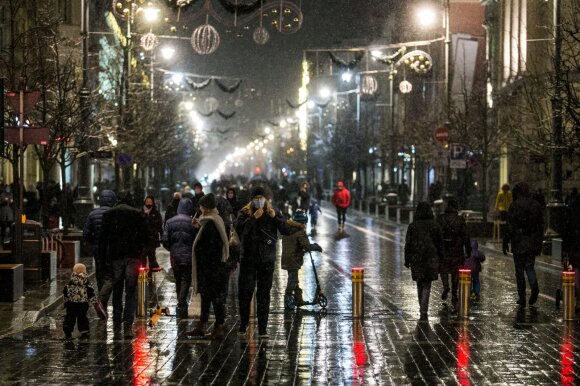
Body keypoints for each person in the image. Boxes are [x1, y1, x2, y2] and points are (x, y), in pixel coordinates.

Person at [235, 186, 291, 339]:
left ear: (266, 199)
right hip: (248, 259)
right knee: (245, 293)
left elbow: (286, 230)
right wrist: (254, 218)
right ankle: (243, 324)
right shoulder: (244, 213)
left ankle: (263, 328)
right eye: (256, 198)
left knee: (264, 294)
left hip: (266, 260)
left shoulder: (272, 212)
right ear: (251, 200)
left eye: (261, 198)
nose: (259, 201)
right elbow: (241, 231)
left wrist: (276, 218)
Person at [101, 191, 148, 335]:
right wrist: (142, 255)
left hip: (116, 256)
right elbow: (145, 236)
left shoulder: (109, 214)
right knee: (131, 290)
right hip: (133, 256)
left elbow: (103, 239)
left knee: (117, 289)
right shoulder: (138, 214)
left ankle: (116, 321)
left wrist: (104, 259)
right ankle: (128, 324)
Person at [189, 194, 230, 339]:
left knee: (215, 298)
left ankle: (219, 327)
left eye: (201, 206)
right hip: (210, 268)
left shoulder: (212, 223)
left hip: (212, 269)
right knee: (207, 297)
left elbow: (210, 247)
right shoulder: (209, 221)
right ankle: (202, 325)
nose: (200, 209)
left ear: (206, 208)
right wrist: (198, 227)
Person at [503, 181, 544, 308]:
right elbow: (540, 226)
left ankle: (522, 297)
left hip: (518, 241)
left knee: (519, 270)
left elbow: (509, 226)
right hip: (531, 241)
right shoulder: (535, 205)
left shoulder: (514, 206)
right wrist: (539, 241)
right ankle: (534, 287)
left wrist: (506, 241)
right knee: (530, 267)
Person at [404, 202, 444, 321]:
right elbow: (440, 244)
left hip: (417, 258)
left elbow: (408, 244)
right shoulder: (435, 226)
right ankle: (423, 310)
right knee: (427, 284)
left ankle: (423, 309)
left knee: (420, 282)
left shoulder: (412, 226)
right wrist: (442, 258)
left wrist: (407, 259)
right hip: (431, 258)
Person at [82, 189, 117, 310]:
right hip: (111, 249)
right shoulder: (114, 214)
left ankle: (103, 303)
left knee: (100, 274)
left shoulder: (92, 214)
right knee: (111, 276)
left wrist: (93, 244)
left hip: (97, 250)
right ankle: (102, 301)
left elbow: (86, 234)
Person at [162, 198, 196, 319]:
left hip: (175, 255)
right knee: (186, 279)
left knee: (178, 279)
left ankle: (181, 304)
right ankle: (181, 303)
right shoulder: (193, 222)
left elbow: (165, 239)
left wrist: (172, 249)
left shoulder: (170, 222)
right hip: (189, 255)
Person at [281, 209, 322, 308]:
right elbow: (306, 246)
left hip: (286, 258)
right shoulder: (300, 232)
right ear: (303, 222)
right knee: (293, 280)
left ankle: (298, 299)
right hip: (294, 259)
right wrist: (316, 247)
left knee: (294, 279)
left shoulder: (288, 229)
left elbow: (294, 244)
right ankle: (287, 298)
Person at [437, 199, 471, 306]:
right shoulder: (460, 219)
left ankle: (446, 286)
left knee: (444, 269)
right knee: (456, 272)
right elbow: (465, 236)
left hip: (443, 249)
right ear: (456, 208)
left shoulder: (440, 218)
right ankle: (454, 294)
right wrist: (468, 249)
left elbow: (436, 234)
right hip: (457, 250)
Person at [62, 263, 96, 339]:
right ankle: (84, 331)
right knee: (82, 317)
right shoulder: (86, 283)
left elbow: (65, 292)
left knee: (70, 316)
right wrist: (95, 303)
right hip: (82, 304)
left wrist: (66, 302)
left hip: (71, 304)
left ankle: (68, 328)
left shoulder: (70, 282)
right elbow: (91, 293)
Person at [563, 194, 580, 311]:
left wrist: (565, 251)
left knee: (577, 271)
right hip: (575, 248)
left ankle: (578, 299)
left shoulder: (572, 219)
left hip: (576, 250)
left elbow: (566, 235)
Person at [142, 195, 163, 271]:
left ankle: (150, 276)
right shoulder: (141, 212)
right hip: (143, 239)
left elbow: (160, 226)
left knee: (152, 258)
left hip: (152, 239)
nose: (148, 203)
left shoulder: (156, 213)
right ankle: (142, 276)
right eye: (147, 201)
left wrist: (161, 236)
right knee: (142, 258)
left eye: (150, 202)